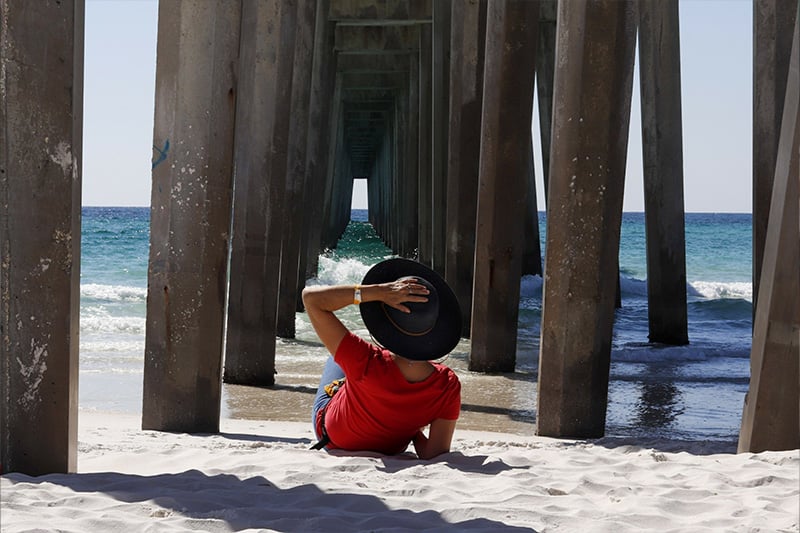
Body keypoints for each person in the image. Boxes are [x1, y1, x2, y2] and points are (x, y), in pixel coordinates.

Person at [302, 258, 463, 459]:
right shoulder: (447, 385)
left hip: (334, 439)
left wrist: (377, 292)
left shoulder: (366, 359)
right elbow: (433, 453)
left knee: (336, 359)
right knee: (353, 371)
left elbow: (311, 299)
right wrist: (409, 425)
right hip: (391, 448)